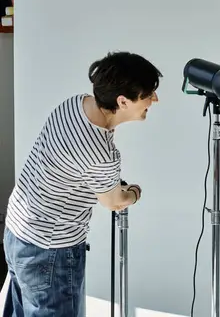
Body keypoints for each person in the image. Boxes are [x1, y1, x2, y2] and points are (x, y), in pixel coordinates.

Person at [2, 51, 162, 317]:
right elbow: (113, 201)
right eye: (148, 95)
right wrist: (134, 193)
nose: (154, 100)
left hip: (18, 233)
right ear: (122, 101)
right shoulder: (100, 154)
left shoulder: (76, 104)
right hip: (49, 252)